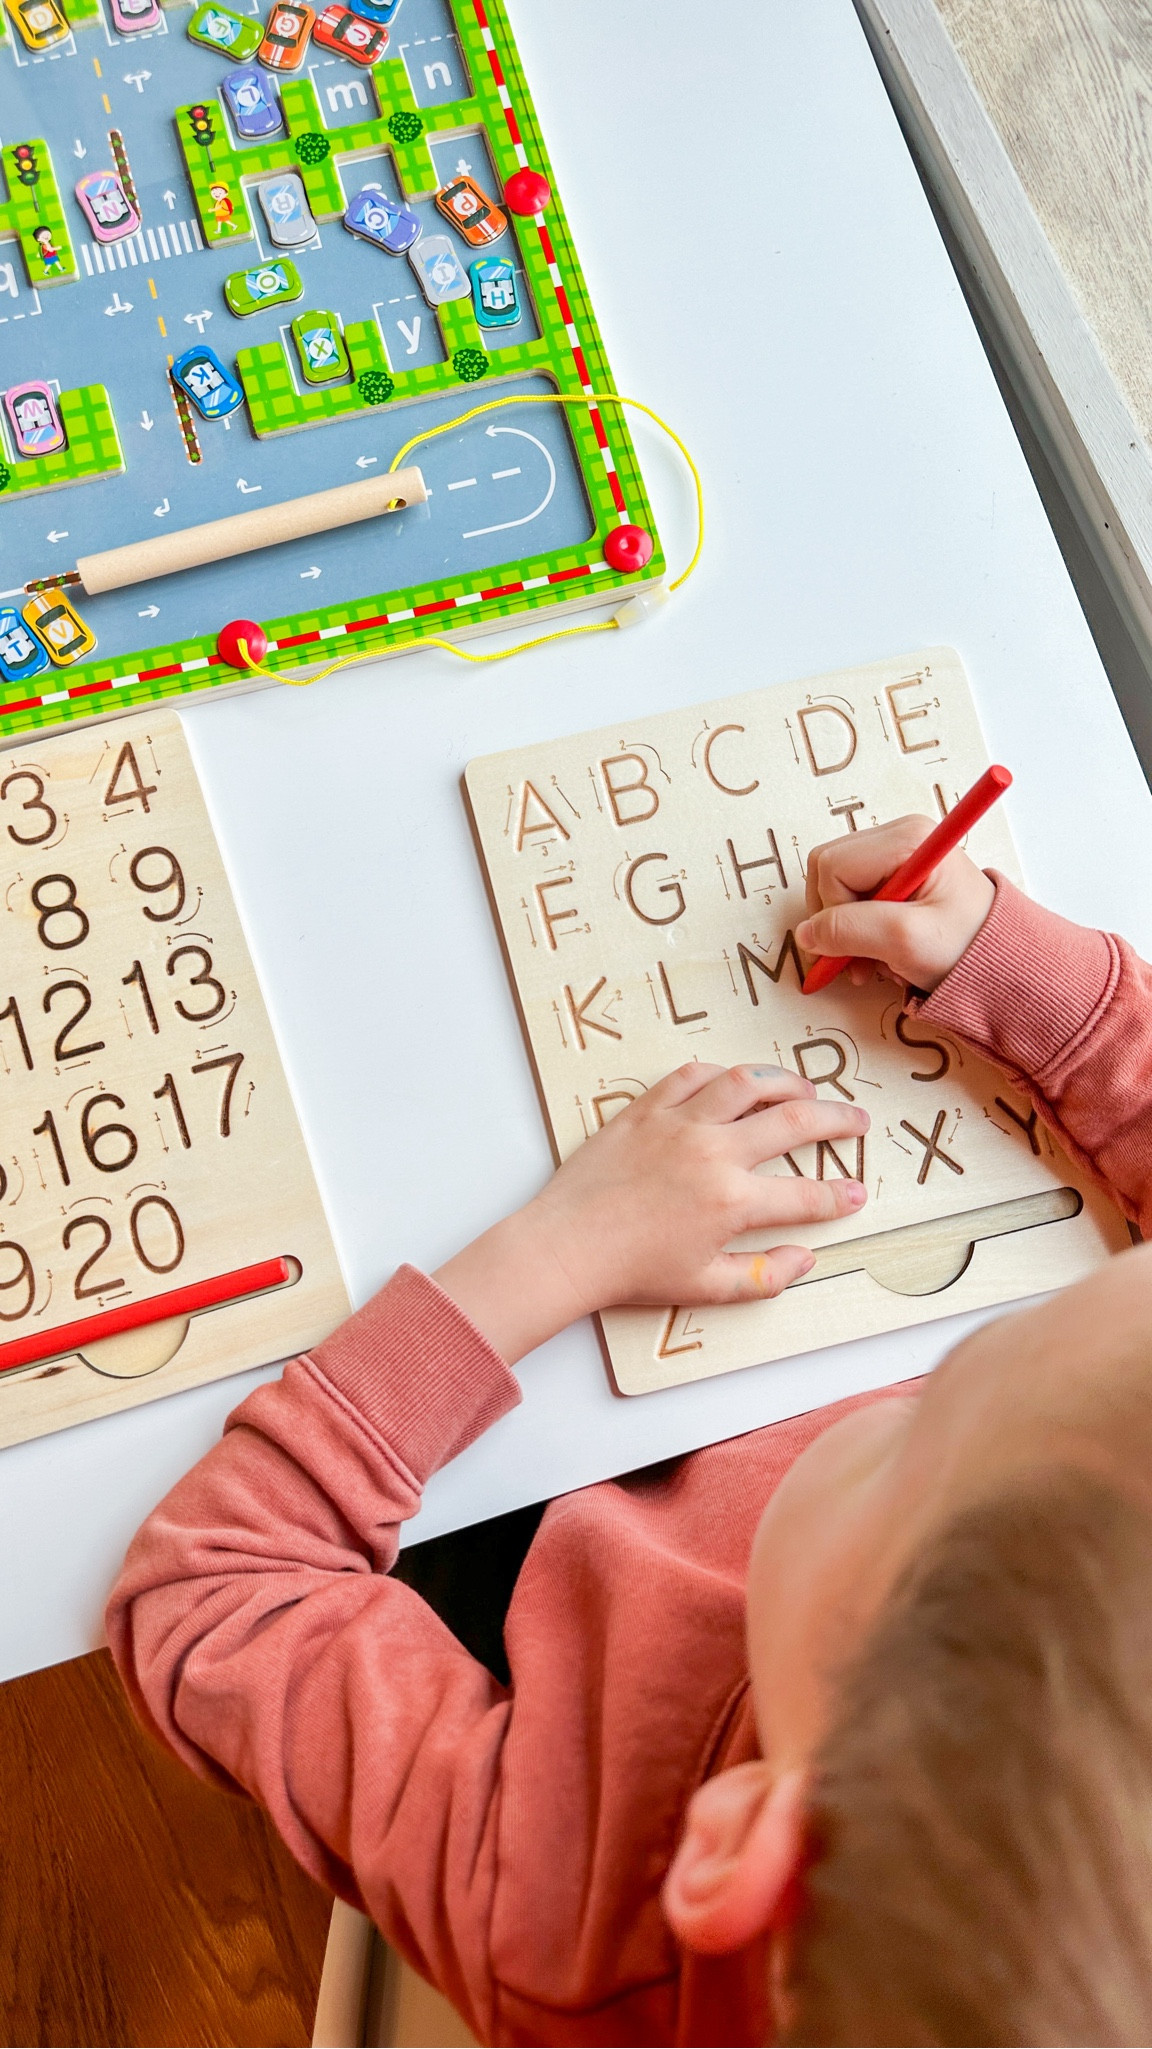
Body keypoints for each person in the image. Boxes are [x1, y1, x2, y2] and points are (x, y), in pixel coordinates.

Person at [107, 819, 1152, 2046]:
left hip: (517, 1512)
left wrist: (558, 1254)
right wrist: (1037, 982)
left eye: (930, 1418)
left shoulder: (566, 1918)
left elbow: (211, 1596)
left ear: (745, 1847)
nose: (918, 1389)